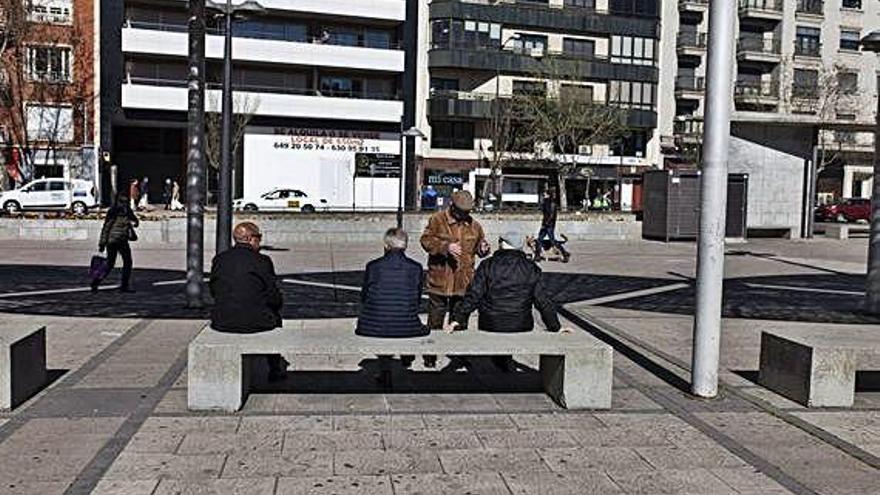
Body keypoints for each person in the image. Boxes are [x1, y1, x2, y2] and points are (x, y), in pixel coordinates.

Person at [445, 231, 567, 371]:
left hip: (491, 323)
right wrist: (555, 327)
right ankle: (503, 361)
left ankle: (501, 360)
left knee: (496, 321)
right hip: (521, 323)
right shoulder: (531, 268)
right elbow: (543, 301)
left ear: (501, 244)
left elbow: (474, 295)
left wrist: (457, 319)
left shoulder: (487, 265)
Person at [420, 190, 490, 368]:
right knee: (435, 320)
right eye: (461, 211)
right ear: (452, 207)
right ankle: (430, 354)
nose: (465, 215)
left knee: (460, 319)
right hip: (439, 279)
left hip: (463, 281)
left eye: (468, 212)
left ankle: (458, 353)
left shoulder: (475, 225)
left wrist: (484, 248)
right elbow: (425, 241)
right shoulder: (437, 220)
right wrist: (445, 247)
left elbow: (480, 248)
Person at [209, 222, 286, 382]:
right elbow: (272, 296)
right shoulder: (262, 261)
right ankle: (274, 368)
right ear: (251, 239)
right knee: (275, 315)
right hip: (256, 322)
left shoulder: (219, 259)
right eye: (259, 237)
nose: (260, 241)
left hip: (222, 321)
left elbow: (214, 290)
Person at [356, 228, 428, 379]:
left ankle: (385, 371)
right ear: (405, 246)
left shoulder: (373, 266)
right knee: (402, 320)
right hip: (407, 326)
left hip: (372, 326)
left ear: (386, 245)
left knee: (383, 320)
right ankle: (404, 359)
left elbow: (364, 297)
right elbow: (416, 300)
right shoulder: (415, 268)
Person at [92, 192, 139, 293]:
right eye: (122, 201)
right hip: (113, 240)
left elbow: (135, 219)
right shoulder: (113, 211)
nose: (124, 203)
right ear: (118, 201)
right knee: (111, 263)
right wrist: (102, 243)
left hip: (122, 240)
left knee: (127, 262)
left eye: (125, 202)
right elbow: (106, 227)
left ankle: (123, 286)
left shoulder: (127, 210)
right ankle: (96, 282)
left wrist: (135, 222)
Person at [535, 189, 570, 263]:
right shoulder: (545, 202)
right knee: (539, 240)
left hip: (549, 225)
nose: (543, 195)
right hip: (546, 224)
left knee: (552, 241)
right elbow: (545, 214)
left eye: (544, 193)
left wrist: (546, 224)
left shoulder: (552, 203)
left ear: (548, 194)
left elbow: (551, 215)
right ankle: (537, 256)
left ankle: (565, 254)